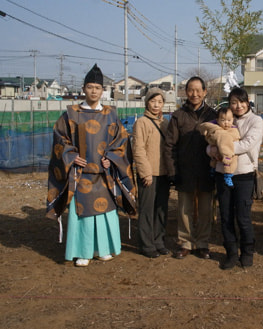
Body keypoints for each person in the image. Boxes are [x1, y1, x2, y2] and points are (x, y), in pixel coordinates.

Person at [46, 64, 136, 267]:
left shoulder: (110, 114)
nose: (93, 91)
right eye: (90, 87)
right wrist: (71, 155)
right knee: (83, 213)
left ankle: (103, 249)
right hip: (80, 174)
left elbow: (122, 141)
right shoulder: (71, 114)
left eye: (97, 87)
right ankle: (83, 252)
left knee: (105, 212)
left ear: (102, 90)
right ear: (83, 89)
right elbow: (60, 138)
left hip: (105, 174)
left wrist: (111, 158)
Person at [209, 88, 263, 269]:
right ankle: (231, 253)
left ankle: (247, 252)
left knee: (243, 217)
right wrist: (211, 151)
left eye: (241, 101)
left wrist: (222, 149)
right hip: (222, 173)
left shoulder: (255, 121)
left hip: (244, 174)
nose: (238, 106)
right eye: (234, 102)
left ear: (247, 102)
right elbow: (209, 141)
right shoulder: (223, 119)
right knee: (226, 216)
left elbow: (247, 144)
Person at [165, 77, 217, 260]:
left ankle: (202, 243)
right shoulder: (178, 115)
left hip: (207, 169)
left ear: (204, 92)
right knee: (184, 209)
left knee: (205, 209)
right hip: (184, 169)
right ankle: (185, 242)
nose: (194, 94)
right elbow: (170, 145)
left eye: (198, 90)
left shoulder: (212, 115)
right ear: (186, 92)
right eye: (190, 90)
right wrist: (173, 171)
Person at [132, 88, 170, 258]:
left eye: (160, 102)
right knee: (147, 210)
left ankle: (159, 241)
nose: (156, 105)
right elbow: (138, 149)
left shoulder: (165, 123)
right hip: (148, 174)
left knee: (161, 209)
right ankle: (146, 245)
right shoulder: (141, 122)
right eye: (153, 101)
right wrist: (145, 173)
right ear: (147, 102)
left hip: (164, 173)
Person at [198, 107, 240, 188]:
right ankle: (224, 171)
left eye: (229, 120)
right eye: (223, 120)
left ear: (233, 119)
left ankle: (226, 173)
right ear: (217, 120)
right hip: (224, 155)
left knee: (233, 159)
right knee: (224, 141)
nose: (226, 123)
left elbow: (237, 138)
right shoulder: (217, 129)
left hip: (227, 153)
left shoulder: (233, 129)